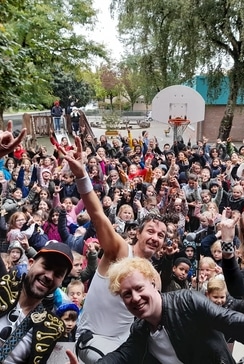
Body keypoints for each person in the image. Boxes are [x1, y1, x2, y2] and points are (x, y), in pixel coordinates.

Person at [66, 256, 244, 364]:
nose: (135, 298)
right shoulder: (140, 328)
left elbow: (240, 326)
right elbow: (121, 357)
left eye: (138, 288)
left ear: (152, 283)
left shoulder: (187, 301)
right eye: (127, 295)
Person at [60, 137, 167, 362]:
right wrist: (81, 176)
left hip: (127, 346)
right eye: (150, 231)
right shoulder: (119, 250)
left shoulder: (154, 277)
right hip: (94, 340)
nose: (155, 237)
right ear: (137, 233)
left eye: (161, 235)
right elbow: (98, 215)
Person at [0, 241, 74, 363]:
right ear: (30, 264)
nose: (49, 276)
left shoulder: (52, 328)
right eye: (46, 266)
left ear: (61, 282)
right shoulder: (3, 287)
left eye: (58, 274)